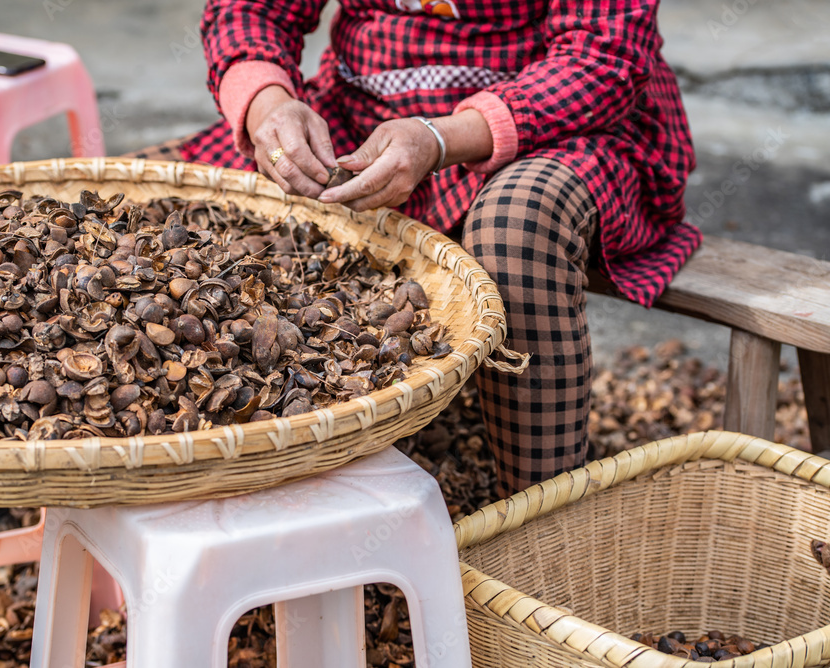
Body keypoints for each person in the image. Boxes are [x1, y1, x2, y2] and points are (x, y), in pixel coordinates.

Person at [130, 0, 700, 497]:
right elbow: (251, 10)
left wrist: (439, 137)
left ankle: (540, 522)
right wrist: (269, 109)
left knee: (514, 227)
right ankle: (166, 474)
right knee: (145, 208)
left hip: (553, 126)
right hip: (369, 113)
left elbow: (601, 59)